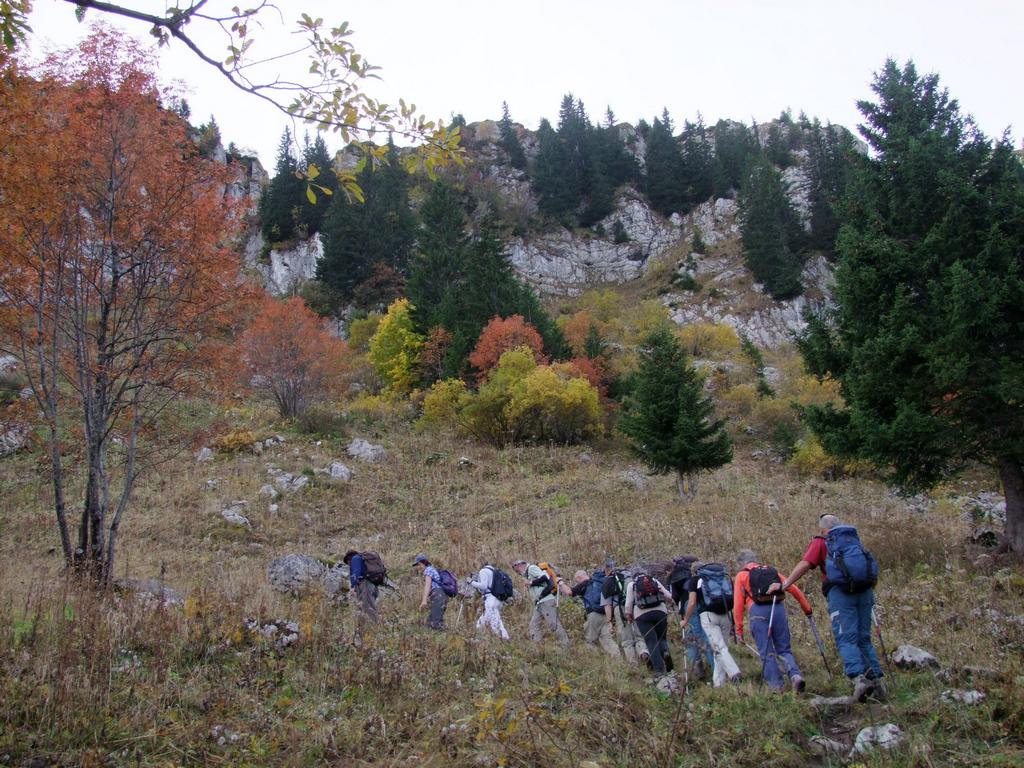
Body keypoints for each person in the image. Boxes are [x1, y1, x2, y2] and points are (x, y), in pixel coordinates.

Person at [774, 514, 884, 702]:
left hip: (841, 594)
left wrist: (785, 585)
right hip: (865, 591)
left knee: (846, 637)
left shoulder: (823, 541)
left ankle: (859, 680)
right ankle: (877, 683)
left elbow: (805, 564)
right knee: (864, 638)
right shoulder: (852, 540)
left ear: (822, 529)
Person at [733, 549, 810, 692]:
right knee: (784, 648)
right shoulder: (771, 572)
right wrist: (807, 609)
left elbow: (738, 605)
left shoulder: (742, 576)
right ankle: (795, 676)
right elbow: (793, 588)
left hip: (758, 612)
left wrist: (739, 630)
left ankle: (776, 687)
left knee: (766, 651)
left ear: (741, 562)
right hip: (778, 608)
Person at [680, 561, 741, 686]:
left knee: (719, 648)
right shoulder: (720, 578)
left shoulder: (695, 581)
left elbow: (692, 603)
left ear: (693, 571)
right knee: (720, 649)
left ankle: (735, 673)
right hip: (725, 615)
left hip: (708, 617)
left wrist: (685, 620)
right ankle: (718, 684)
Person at [669, 555, 715, 679]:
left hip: (688, 605)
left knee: (692, 638)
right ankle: (716, 668)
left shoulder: (676, 574)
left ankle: (696, 671)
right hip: (705, 605)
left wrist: (684, 617)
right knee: (706, 636)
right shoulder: (701, 572)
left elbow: (674, 596)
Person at [624, 571, 676, 676]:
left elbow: (628, 603)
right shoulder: (654, 580)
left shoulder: (632, 584)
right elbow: (669, 596)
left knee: (651, 641)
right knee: (662, 637)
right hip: (660, 612)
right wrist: (671, 604)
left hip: (642, 615)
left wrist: (629, 616)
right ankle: (665, 653)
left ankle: (659, 669)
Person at [513, 559, 570, 645]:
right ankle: (539, 647)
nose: (518, 572)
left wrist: (531, 583)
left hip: (546, 601)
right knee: (533, 625)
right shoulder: (527, 573)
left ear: (520, 565)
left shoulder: (532, 568)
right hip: (539, 603)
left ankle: (566, 644)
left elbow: (545, 577)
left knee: (553, 624)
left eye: (517, 569)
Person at [567, 569, 621, 658]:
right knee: (607, 639)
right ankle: (618, 659)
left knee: (590, 640)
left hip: (593, 614)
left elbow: (569, 592)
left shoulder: (584, 584)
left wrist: (560, 582)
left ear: (579, 577)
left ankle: (594, 659)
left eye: (577, 581)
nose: (578, 583)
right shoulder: (599, 582)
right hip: (607, 613)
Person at [602, 562, 648, 664]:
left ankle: (633, 663)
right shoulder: (628, 575)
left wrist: (609, 621)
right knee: (639, 634)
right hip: (635, 607)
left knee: (626, 639)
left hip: (620, 609)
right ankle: (643, 651)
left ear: (606, 570)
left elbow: (607, 604)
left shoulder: (609, 580)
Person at [469, 561, 510, 640]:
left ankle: (503, 638)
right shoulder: (494, 571)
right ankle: (479, 637)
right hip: (498, 599)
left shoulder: (483, 571)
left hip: (490, 599)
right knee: (482, 622)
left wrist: (471, 582)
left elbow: (483, 586)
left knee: (495, 622)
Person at [413, 553, 448, 630]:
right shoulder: (432, 569)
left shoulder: (428, 570)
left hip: (438, 595)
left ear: (424, 563)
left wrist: (424, 601)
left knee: (435, 623)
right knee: (431, 621)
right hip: (442, 596)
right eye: (416, 565)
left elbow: (427, 586)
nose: (417, 567)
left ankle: (444, 639)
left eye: (419, 564)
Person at [343, 549, 378, 623]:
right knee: (367, 606)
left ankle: (372, 628)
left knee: (368, 607)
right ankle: (367, 627)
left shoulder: (355, 558)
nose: (349, 564)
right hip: (373, 585)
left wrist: (353, 586)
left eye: (348, 562)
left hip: (366, 585)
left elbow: (356, 572)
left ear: (348, 558)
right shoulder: (361, 559)